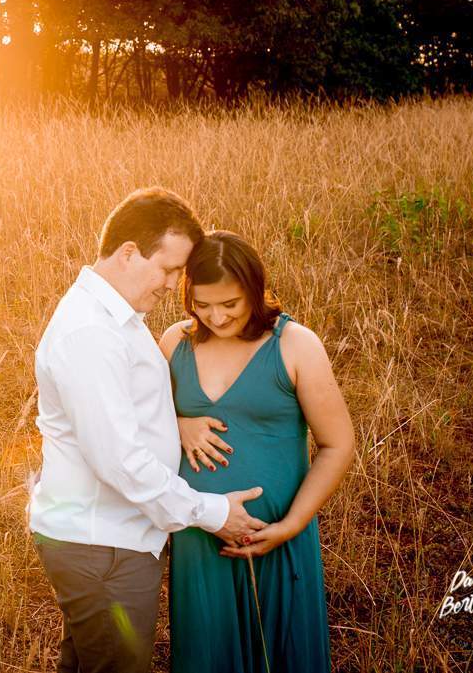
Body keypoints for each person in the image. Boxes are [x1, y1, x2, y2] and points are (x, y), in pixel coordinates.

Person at [28, 188, 267, 673]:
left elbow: (117, 415)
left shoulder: (117, 319)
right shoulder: (91, 332)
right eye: (168, 269)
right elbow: (119, 461)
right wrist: (212, 511)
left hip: (109, 543)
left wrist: (172, 423)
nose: (172, 284)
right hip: (104, 547)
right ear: (129, 253)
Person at [158, 230, 354, 673]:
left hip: (278, 536)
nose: (216, 316)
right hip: (199, 536)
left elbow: (338, 444)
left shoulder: (295, 344)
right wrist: (176, 423)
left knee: (284, 654)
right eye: (202, 304)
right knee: (208, 654)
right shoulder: (174, 344)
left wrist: (292, 525)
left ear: (254, 289)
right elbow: (132, 430)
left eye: (230, 303)